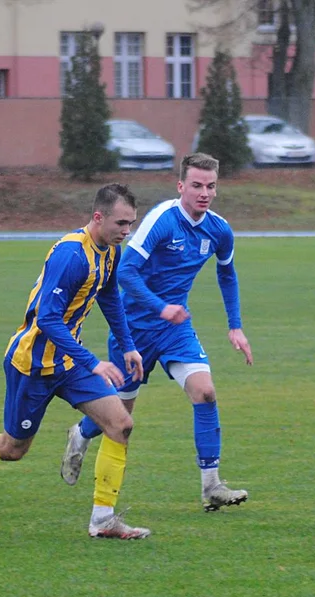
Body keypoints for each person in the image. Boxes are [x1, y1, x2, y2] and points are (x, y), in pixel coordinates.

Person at [0, 183, 151, 540]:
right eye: (121, 223)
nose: (127, 231)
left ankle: (103, 520)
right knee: (13, 449)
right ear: (98, 217)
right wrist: (93, 362)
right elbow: (48, 319)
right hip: (32, 365)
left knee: (121, 424)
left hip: (69, 364)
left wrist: (128, 345)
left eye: (131, 223)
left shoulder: (110, 251)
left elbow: (109, 298)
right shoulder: (71, 256)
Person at [59, 153, 254, 511]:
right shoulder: (161, 222)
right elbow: (126, 273)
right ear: (181, 186)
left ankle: (211, 486)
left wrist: (235, 325)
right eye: (196, 185)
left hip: (175, 330)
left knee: (205, 392)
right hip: (132, 331)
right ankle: (81, 432)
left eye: (210, 186)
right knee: (121, 413)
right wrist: (160, 307)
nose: (204, 193)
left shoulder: (219, 229)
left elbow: (227, 273)